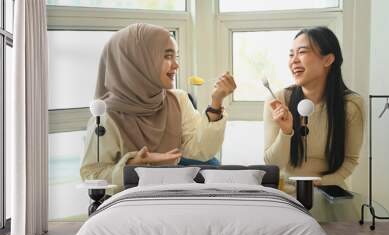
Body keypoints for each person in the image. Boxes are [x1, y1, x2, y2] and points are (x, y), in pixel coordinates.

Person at [81, 23, 236, 194]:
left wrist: (216, 102)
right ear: (138, 61)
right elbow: (92, 175)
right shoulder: (106, 117)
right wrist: (133, 165)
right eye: (167, 57)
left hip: (171, 196)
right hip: (130, 203)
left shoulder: (178, 100)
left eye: (175, 57)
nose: (176, 66)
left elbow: (200, 151)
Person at [264, 26, 364, 221]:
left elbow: (350, 161)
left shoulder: (351, 105)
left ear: (328, 59)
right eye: (291, 54)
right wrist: (286, 132)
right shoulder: (278, 100)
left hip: (331, 194)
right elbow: (272, 164)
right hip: (287, 198)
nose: (293, 60)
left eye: (302, 52)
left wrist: (320, 182)